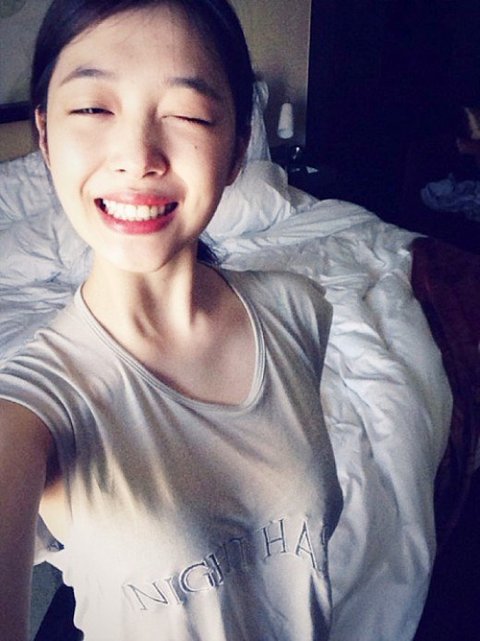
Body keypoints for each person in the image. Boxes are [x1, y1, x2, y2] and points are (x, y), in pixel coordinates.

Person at [0, 1, 342, 639]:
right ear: (45, 136)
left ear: (237, 147)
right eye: (93, 109)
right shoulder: (28, 409)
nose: (138, 158)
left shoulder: (299, 309)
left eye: (188, 114)